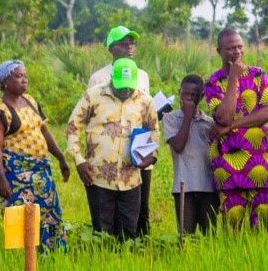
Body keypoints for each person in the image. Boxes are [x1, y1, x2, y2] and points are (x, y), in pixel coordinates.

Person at [0, 60, 71, 251]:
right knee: (22, 223)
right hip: (17, 178)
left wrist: (61, 158)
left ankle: (51, 259)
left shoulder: (30, 101)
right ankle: (25, 266)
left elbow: (45, 132)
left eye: (25, 76)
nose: (24, 80)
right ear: (5, 82)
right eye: (18, 76)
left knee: (49, 217)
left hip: (42, 175)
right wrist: (1, 180)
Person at [67, 58, 159, 240]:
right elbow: (73, 127)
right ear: (111, 79)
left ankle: (126, 264)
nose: (125, 90)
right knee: (103, 232)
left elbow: (153, 131)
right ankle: (103, 263)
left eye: (129, 86)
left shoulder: (145, 101)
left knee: (129, 234)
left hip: (130, 177)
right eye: (121, 86)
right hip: (97, 176)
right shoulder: (93, 96)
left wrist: (151, 155)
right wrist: (79, 160)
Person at [204, 29, 268, 232]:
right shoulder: (213, 82)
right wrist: (233, 79)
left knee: (264, 226)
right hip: (227, 166)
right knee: (233, 227)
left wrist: (232, 126)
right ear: (219, 51)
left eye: (239, 46)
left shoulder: (258, 75)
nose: (236, 51)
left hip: (258, 162)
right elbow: (223, 116)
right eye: (230, 48)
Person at [88, 25, 160, 235]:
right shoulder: (99, 78)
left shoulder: (142, 76)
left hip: (138, 151)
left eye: (132, 43)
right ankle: (111, 247)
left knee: (141, 206)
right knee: (110, 206)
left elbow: (144, 109)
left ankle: (139, 247)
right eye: (124, 43)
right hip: (111, 154)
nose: (130, 47)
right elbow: (93, 116)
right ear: (111, 48)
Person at [164, 74, 220, 237]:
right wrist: (188, 117)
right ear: (179, 93)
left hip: (208, 188)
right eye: (185, 94)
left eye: (193, 96)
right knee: (185, 236)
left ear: (201, 97)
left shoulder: (209, 123)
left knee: (210, 234)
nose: (188, 99)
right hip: (183, 188)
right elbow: (178, 146)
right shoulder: (171, 119)